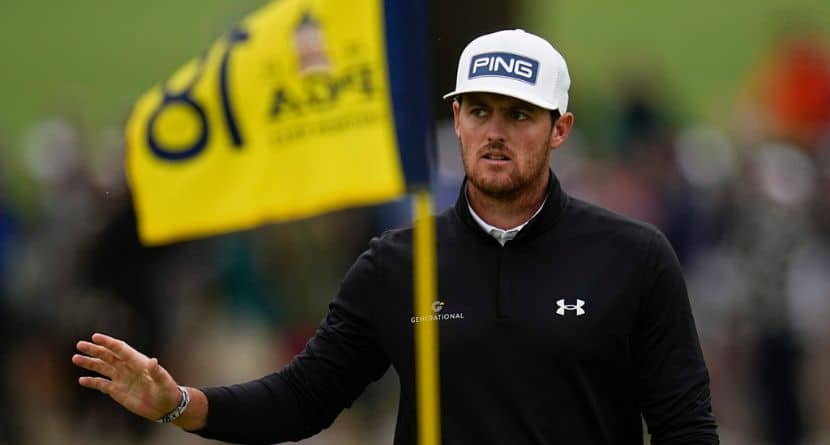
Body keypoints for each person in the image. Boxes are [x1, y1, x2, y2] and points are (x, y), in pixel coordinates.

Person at [73, 29, 719, 444]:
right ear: (457, 122)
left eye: (519, 114)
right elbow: (303, 398)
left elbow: (685, 428)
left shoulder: (634, 258)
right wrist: (179, 402)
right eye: (478, 110)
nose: (496, 131)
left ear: (560, 129)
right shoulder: (399, 262)